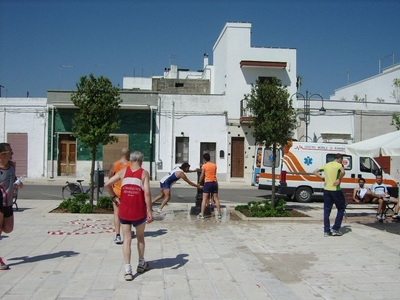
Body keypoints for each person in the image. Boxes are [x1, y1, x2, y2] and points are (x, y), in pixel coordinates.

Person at [104, 151, 153, 281]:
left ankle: (127, 269)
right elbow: (147, 193)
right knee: (140, 237)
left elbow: (107, 184)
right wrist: (149, 211)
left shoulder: (122, 172)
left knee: (127, 239)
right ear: (141, 160)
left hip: (124, 211)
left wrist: (114, 197)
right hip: (139, 211)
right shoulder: (144, 173)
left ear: (130, 160)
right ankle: (141, 263)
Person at [0, 143, 23, 270]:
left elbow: (13, 179)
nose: (12, 154)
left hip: (8, 203)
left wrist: (18, 183)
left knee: (8, 229)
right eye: (9, 152)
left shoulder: (12, 167)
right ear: (2, 154)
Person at [313, 153, 346, 237]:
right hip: (335, 189)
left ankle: (326, 231)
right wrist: (339, 179)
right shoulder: (339, 165)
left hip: (327, 190)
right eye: (341, 160)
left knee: (327, 211)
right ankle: (335, 228)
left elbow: (315, 172)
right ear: (340, 159)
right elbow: (343, 171)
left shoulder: (326, 165)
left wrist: (323, 178)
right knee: (341, 208)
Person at [109, 147, 132, 244]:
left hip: (117, 192)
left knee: (116, 213)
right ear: (128, 155)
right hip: (128, 192)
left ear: (120, 154)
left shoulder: (115, 165)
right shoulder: (131, 165)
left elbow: (110, 178)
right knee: (129, 213)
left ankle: (118, 235)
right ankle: (128, 232)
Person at [197, 153, 222, 219]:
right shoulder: (214, 165)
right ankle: (219, 214)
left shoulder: (204, 166)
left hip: (208, 182)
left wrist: (199, 182)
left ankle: (202, 214)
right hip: (214, 182)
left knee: (204, 198)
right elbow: (214, 174)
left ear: (204, 159)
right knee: (216, 198)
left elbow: (202, 175)